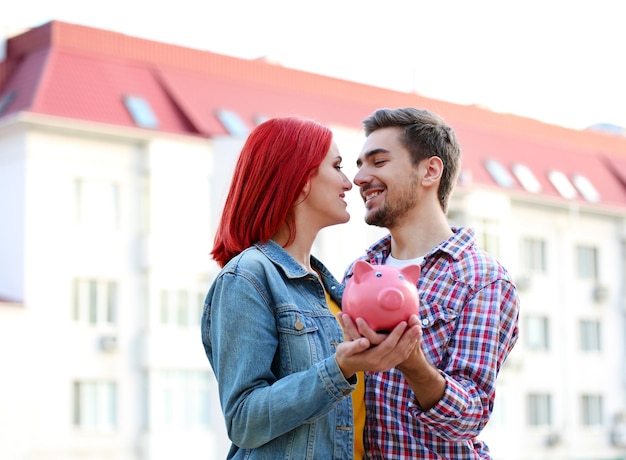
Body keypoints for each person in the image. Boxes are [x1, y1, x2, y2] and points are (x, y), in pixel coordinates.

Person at [201, 116, 421, 459]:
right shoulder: (247, 278)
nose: (349, 183)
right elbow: (245, 420)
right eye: (337, 167)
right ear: (300, 180)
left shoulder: (332, 286)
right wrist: (340, 369)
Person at [337, 107, 520, 458]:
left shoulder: (481, 279)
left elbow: (469, 417)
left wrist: (412, 362)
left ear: (430, 171)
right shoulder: (357, 272)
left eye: (377, 162)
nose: (359, 177)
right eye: (359, 165)